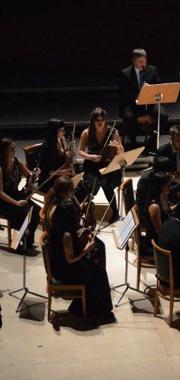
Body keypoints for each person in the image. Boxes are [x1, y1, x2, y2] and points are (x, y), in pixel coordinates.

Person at [43, 176, 114, 322]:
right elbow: (71, 259)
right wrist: (86, 250)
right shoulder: (67, 236)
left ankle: (87, 306)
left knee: (95, 267)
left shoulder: (55, 208)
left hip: (58, 261)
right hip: (64, 269)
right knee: (98, 272)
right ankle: (91, 310)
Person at [78, 107, 123, 223]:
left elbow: (122, 152)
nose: (100, 122)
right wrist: (91, 157)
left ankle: (115, 213)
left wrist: (118, 143)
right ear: (93, 121)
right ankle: (83, 210)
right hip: (92, 165)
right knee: (90, 186)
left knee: (106, 184)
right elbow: (80, 151)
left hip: (107, 165)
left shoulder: (112, 132)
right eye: (97, 120)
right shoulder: (86, 133)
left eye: (102, 119)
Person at [118, 48, 168, 150]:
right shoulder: (125, 73)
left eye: (144, 60)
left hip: (149, 103)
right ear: (133, 61)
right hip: (132, 104)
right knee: (129, 116)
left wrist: (150, 90)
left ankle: (152, 142)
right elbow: (124, 95)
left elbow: (158, 87)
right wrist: (139, 95)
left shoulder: (152, 70)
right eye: (140, 61)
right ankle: (133, 143)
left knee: (163, 115)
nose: (143, 63)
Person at [0, 138, 41, 255]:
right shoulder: (0, 168)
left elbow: (29, 175)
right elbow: (0, 193)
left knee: (36, 210)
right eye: (12, 149)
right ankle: (16, 243)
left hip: (15, 195)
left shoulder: (16, 162)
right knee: (23, 213)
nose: (14, 150)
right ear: (4, 152)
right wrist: (16, 203)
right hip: (4, 201)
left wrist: (35, 174)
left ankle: (27, 240)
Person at [38, 118, 73, 193]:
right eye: (61, 130)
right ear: (54, 132)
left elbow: (66, 153)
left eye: (64, 130)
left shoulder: (60, 139)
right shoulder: (47, 147)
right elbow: (45, 171)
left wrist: (64, 141)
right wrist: (62, 172)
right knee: (71, 189)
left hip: (60, 175)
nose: (64, 132)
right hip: (49, 179)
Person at [140, 171, 171, 250]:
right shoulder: (154, 207)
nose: (170, 188)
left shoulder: (163, 197)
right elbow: (159, 233)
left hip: (164, 235)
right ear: (159, 187)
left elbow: (166, 213)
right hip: (155, 245)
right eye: (167, 185)